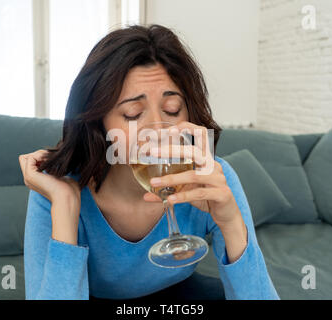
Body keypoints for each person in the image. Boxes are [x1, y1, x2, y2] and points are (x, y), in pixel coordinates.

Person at [18, 24, 279, 300]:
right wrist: (66, 206)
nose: (158, 130)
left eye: (172, 109)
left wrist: (232, 224)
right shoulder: (54, 190)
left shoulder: (211, 178)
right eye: (132, 114)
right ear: (99, 123)